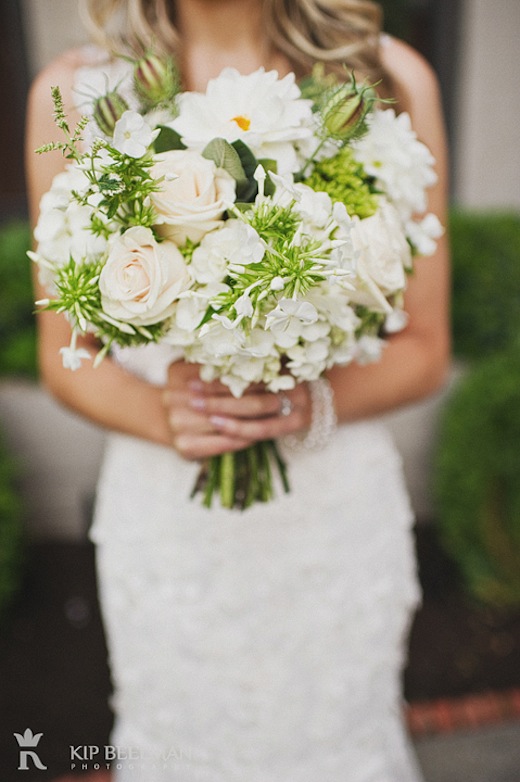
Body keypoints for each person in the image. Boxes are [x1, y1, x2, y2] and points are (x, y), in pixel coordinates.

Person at [26, 0, 450, 779]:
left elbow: (424, 348)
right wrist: (165, 412)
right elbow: (66, 355)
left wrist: (305, 402)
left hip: (332, 512)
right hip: (171, 514)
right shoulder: (79, 96)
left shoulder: (385, 79)